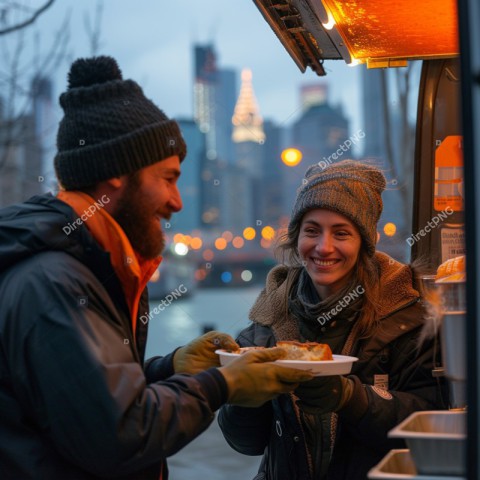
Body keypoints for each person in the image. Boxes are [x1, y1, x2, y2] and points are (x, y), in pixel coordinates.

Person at [0, 56, 314, 480]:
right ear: (114, 174)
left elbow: (87, 399)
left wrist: (172, 368)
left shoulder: (80, 269)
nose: (177, 201)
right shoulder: (54, 283)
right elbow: (118, 435)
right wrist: (223, 386)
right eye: (167, 178)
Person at [218, 160, 448, 480]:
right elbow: (246, 443)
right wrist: (244, 396)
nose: (323, 247)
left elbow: (431, 421)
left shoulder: (409, 317)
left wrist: (352, 398)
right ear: (297, 238)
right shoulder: (265, 326)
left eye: (341, 233)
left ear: (365, 243)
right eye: (312, 231)